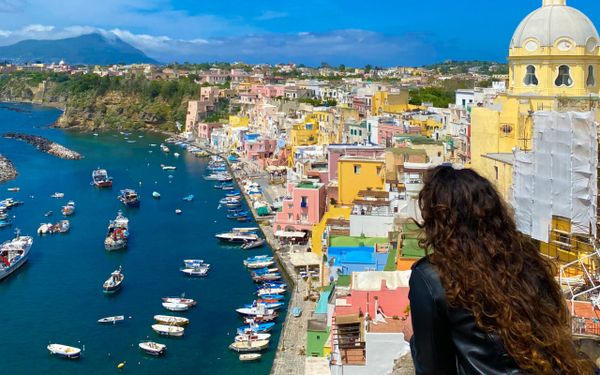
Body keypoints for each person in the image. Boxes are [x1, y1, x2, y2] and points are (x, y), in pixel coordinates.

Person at [409, 165, 595, 375]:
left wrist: (414, 340)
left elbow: (433, 368)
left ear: (437, 221)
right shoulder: (526, 262)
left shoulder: (431, 278)